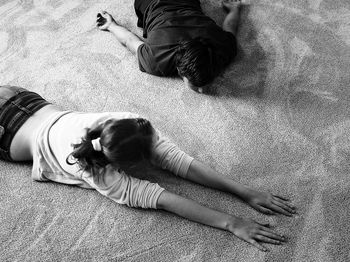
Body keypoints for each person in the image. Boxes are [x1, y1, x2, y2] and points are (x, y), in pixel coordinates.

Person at [0, 85, 296, 251]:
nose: (160, 146)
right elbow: (165, 199)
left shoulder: (127, 121)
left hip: (22, 99)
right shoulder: (98, 173)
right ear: (131, 167)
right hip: (9, 135)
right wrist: (231, 222)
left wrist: (244, 191)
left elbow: (177, 161)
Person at [96, 0, 242, 93]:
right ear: (180, 71)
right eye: (196, 85)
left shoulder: (222, 46)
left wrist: (234, 10)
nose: (202, 91)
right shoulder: (156, 60)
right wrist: (111, 25)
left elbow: (230, 29)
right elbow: (129, 40)